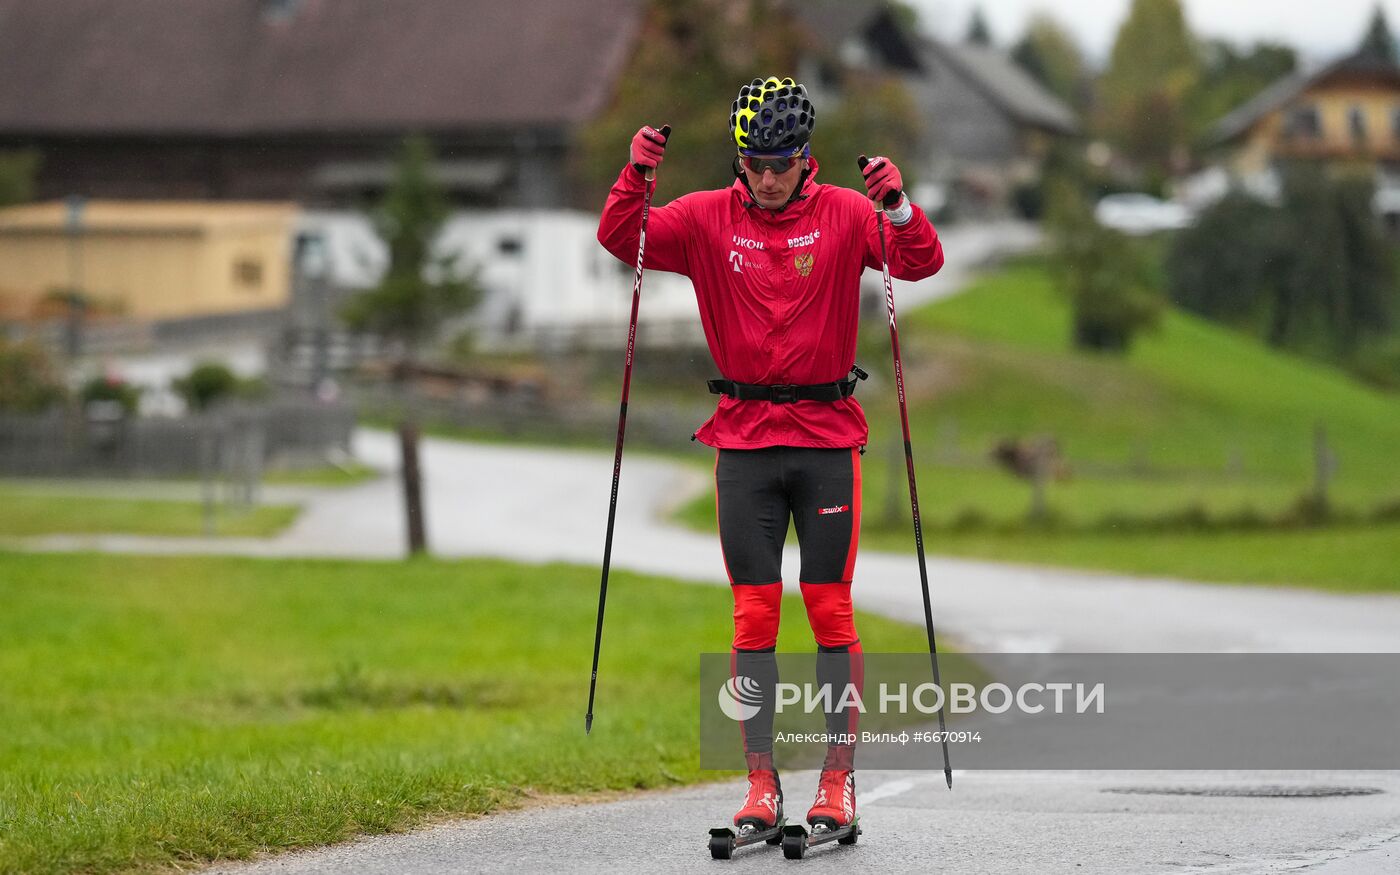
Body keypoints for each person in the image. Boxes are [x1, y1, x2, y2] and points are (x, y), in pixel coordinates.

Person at [596, 76, 944, 833]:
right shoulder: (703, 218)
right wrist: (636, 175)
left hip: (826, 439)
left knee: (828, 607)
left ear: (805, 156)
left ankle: (837, 783)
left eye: (781, 161)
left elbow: (921, 263)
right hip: (744, 442)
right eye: (755, 161)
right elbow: (625, 239)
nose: (768, 175)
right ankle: (760, 783)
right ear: (740, 158)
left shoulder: (848, 215)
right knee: (753, 615)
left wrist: (898, 206)